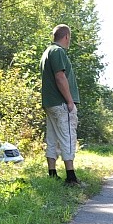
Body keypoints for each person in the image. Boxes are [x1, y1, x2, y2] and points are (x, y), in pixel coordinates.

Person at [40, 24, 81, 186]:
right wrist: (70, 100)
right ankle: (71, 177)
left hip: (50, 103)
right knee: (68, 137)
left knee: (52, 137)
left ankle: (52, 173)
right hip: (61, 102)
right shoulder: (58, 52)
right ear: (66, 37)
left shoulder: (47, 52)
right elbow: (60, 77)